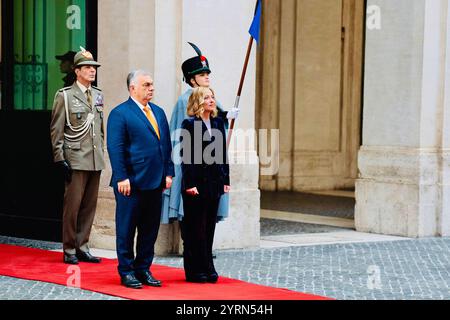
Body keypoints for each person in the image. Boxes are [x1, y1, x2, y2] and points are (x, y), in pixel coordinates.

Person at [107, 70, 174, 289]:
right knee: (126, 230)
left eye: (152, 84)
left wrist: (169, 172)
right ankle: (126, 271)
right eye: (146, 85)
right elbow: (115, 149)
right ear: (132, 87)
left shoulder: (159, 112)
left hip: (155, 182)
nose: (151, 88)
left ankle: (143, 268)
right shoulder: (120, 113)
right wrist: (121, 176)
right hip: (130, 183)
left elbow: (165, 146)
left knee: (149, 230)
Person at [161, 42, 238, 225]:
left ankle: (204, 251)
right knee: (191, 214)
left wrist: (226, 115)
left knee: (207, 214)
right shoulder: (185, 100)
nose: (207, 77)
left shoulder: (210, 97)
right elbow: (185, 131)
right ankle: (191, 249)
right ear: (192, 79)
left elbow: (212, 124)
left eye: (207, 74)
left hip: (211, 165)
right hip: (191, 163)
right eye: (202, 74)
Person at [50, 47, 104, 265]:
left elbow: (100, 128)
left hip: (94, 157)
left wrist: (102, 151)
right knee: (72, 207)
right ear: (77, 71)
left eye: (94, 68)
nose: (92, 71)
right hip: (75, 158)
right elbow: (56, 128)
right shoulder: (65, 95)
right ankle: (70, 248)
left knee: (89, 206)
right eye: (88, 68)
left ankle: (83, 246)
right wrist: (59, 156)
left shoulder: (98, 95)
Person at [180, 86, 230, 283]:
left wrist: (226, 180)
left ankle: (208, 265)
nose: (211, 100)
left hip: (214, 183)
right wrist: (190, 183)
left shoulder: (218, 123)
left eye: (212, 97)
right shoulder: (189, 124)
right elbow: (186, 156)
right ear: (198, 101)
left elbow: (222, 155)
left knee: (209, 227)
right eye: (206, 97)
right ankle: (194, 269)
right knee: (195, 229)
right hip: (196, 184)